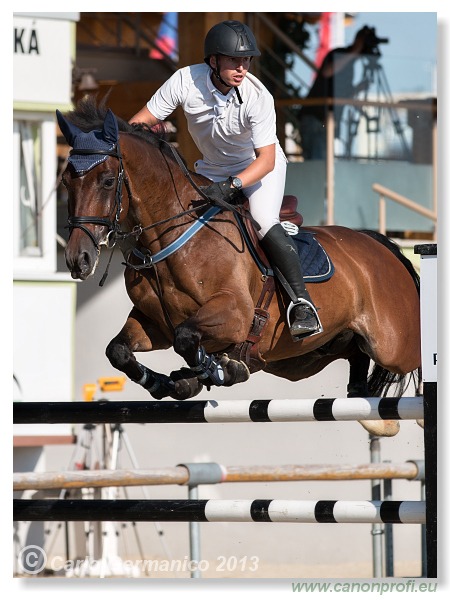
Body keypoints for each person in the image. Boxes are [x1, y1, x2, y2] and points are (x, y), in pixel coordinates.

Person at [129, 20, 321, 338]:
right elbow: (141, 121)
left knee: (261, 219)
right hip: (211, 168)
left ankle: (302, 303)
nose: (242, 67)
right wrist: (134, 136)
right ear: (214, 61)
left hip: (258, 169)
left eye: (246, 60)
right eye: (234, 60)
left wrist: (233, 185)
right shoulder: (184, 81)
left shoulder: (258, 97)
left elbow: (267, 159)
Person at [298, 26, 375, 160]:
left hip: (326, 120)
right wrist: (354, 52)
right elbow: (327, 71)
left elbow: (344, 96)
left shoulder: (349, 65)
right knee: (319, 166)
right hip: (316, 117)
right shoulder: (339, 54)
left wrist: (358, 88)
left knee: (321, 165)